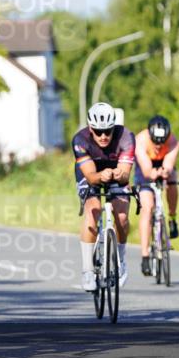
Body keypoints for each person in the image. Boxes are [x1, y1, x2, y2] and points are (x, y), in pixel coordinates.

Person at [72, 102, 136, 292]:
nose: (103, 136)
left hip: (116, 173)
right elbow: (91, 176)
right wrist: (101, 176)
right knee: (93, 211)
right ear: (90, 128)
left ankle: (121, 260)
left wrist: (117, 174)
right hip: (90, 174)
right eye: (98, 132)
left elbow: (125, 174)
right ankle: (88, 271)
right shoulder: (80, 140)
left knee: (122, 218)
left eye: (107, 131)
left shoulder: (126, 137)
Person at [134, 115, 179, 274]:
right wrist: (152, 173)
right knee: (147, 208)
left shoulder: (173, 142)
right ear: (150, 136)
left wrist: (165, 171)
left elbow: (168, 165)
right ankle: (145, 255)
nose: (158, 146)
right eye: (155, 142)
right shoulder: (140, 141)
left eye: (162, 143)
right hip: (145, 167)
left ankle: (172, 217)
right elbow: (147, 170)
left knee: (173, 181)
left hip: (162, 164)